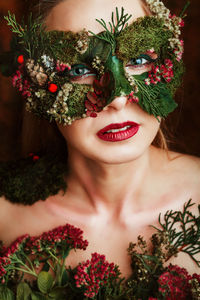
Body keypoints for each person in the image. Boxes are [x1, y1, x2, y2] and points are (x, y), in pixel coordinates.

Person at [0, 0, 199, 286]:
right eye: (80, 69)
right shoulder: (4, 216)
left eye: (138, 60)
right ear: (36, 84)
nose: (117, 100)